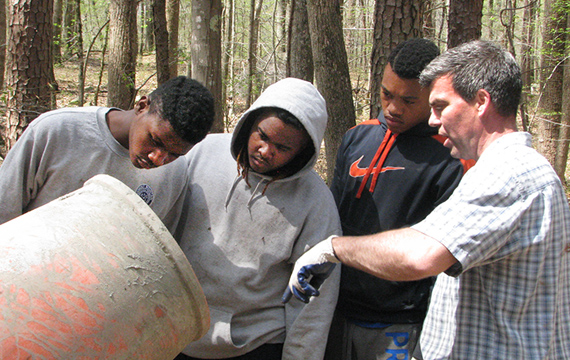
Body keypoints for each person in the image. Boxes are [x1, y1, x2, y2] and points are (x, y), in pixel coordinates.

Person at [285, 40, 570, 359]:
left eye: (441, 106)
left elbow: (421, 255)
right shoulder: (518, 171)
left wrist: (332, 248)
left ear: (481, 102)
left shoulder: (509, 173)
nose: (433, 121)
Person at [174, 78, 341, 360]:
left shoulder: (316, 202)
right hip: (178, 330)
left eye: (283, 147)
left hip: (256, 342)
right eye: (262, 136)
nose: (265, 151)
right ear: (250, 124)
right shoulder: (199, 153)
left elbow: (314, 303)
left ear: (303, 152)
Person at [326, 38, 469, 360]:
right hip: (336, 310)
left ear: (433, 98)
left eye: (408, 100)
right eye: (386, 94)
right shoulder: (356, 137)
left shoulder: (450, 158)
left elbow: (443, 253)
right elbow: (330, 217)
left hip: (401, 323)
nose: (393, 108)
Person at [0, 76, 215, 233]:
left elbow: (155, 251)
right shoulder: (56, 132)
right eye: (155, 141)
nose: (158, 159)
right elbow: (4, 211)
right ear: (141, 106)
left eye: (174, 154)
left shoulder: (175, 174)